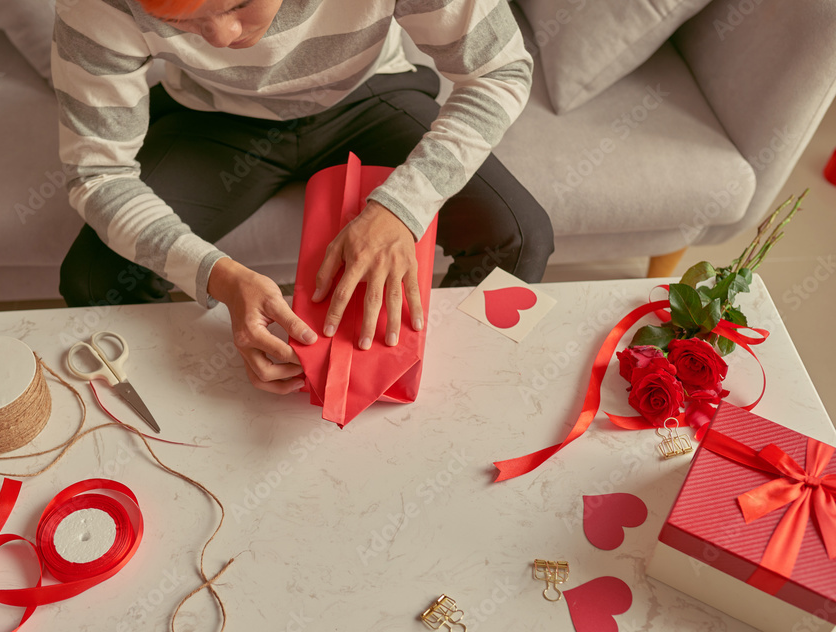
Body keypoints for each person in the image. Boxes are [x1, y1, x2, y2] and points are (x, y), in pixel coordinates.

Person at [55, 0, 553, 395]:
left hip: (369, 95)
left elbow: (501, 70)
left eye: (237, 5)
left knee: (521, 236)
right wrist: (218, 277)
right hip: (212, 118)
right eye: (184, 21)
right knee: (94, 279)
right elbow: (97, 173)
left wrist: (402, 209)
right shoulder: (95, 4)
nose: (222, 38)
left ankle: (451, 379)